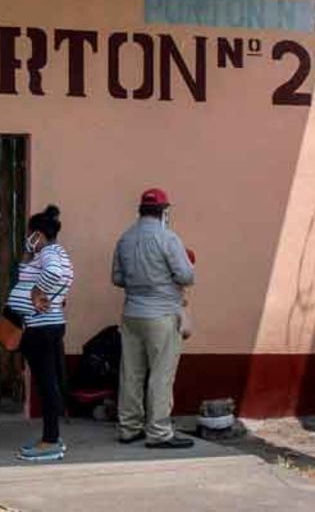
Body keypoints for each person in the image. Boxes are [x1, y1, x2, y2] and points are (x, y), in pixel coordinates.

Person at [112, 188, 196, 449]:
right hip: (161, 315)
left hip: (132, 314)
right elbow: (186, 276)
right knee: (161, 375)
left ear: (141, 210)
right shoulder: (168, 238)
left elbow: (116, 278)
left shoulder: (124, 239)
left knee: (131, 374)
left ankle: (129, 427)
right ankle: (159, 432)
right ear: (164, 212)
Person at [7, 205, 74, 462]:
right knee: (49, 381)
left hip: (41, 327)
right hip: (46, 324)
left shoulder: (50, 253)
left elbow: (54, 274)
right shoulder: (54, 252)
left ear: (37, 233)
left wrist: (36, 292)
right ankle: (51, 436)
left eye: (30, 234)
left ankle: (50, 440)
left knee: (46, 383)